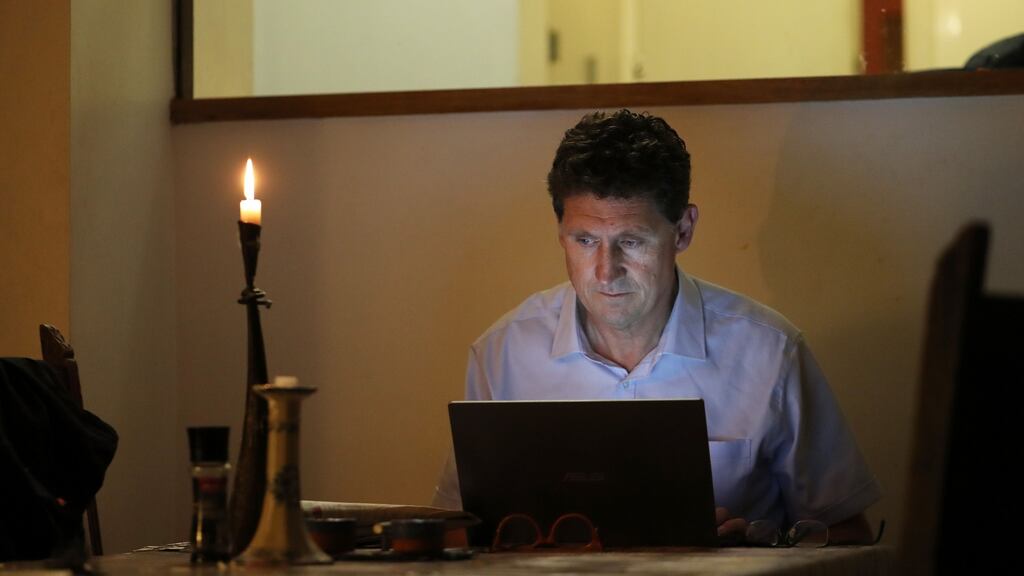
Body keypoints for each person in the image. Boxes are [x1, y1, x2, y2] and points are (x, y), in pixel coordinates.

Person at [433, 109, 880, 544]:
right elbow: (457, 529)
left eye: (631, 241)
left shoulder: (769, 352)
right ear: (560, 230)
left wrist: (761, 542)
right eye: (585, 241)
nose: (606, 272)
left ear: (682, 231)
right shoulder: (503, 353)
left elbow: (849, 534)